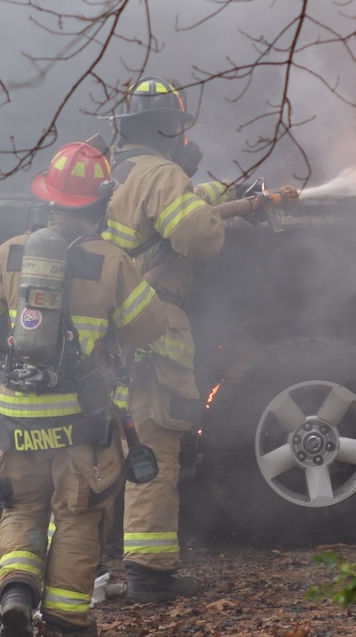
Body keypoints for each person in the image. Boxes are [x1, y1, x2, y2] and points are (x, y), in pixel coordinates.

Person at [0, 142, 168, 637]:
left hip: (17, 414)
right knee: (77, 516)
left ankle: (16, 589)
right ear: (102, 203)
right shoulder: (111, 261)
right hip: (81, 421)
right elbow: (151, 325)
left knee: (21, 506)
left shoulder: (11, 251)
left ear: (50, 198)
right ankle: (66, 618)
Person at [100, 76, 238, 602]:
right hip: (147, 332)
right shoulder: (162, 174)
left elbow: (161, 216)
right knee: (152, 448)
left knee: (90, 453)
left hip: (95, 336)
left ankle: (64, 569)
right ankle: (150, 575)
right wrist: (186, 183)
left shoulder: (109, 173)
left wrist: (209, 192)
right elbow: (197, 236)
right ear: (173, 131)